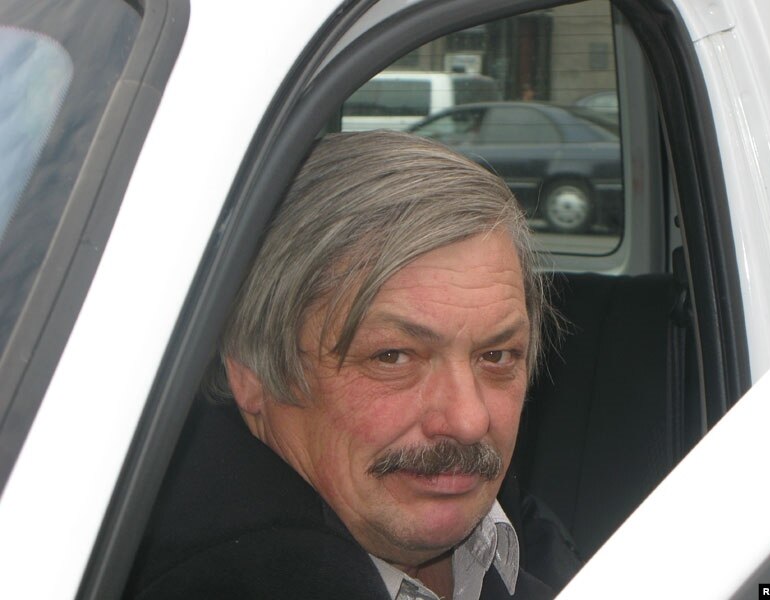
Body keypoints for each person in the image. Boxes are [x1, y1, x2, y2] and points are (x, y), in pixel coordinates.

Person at [126, 130, 555, 600]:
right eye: (393, 357)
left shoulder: (530, 533)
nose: (469, 420)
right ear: (251, 369)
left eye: (496, 356)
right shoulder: (193, 578)